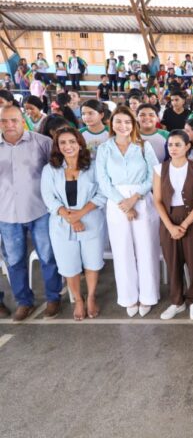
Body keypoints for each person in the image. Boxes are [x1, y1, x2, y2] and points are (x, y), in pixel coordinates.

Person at [96, 106, 160, 317]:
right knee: (122, 251)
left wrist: (134, 198)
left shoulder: (143, 146)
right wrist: (122, 203)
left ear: (133, 125)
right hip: (116, 204)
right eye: (118, 121)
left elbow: (154, 175)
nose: (122, 126)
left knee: (146, 248)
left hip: (142, 200)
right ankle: (128, 296)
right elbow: (103, 180)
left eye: (127, 122)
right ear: (111, 124)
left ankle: (148, 296)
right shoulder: (105, 149)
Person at [0, 105, 60, 321]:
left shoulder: (42, 143)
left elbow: (57, 172)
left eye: (14, 120)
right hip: (7, 214)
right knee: (14, 261)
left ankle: (53, 298)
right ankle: (24, 302)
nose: (9, 125)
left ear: (22, 120)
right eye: (4, 121)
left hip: (40, 211)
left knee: (48, 257)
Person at [41, 127, 106, 320]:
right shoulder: (50, 169)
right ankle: (78, 299)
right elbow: (49, 198)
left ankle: (91, 296)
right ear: (57, 146)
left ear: (80, 144)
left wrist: (80, 215)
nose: (68, 146)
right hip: (62, 224)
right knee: (69, 265)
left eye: (72, 141)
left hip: (91, 220)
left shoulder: (93, 166)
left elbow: (102, 193)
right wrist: (70, 218)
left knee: (92, 262)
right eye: (62, 142)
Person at [153, 130, 193, 321]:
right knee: (172, 262)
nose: (173, 148)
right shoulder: (159, 169)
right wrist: (170, 226)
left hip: (192, 219)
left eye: (178, 145)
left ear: (187, 146)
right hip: (168, 220)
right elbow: (157, 200)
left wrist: (184, 224)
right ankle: (177, 301)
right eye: (170, 145)